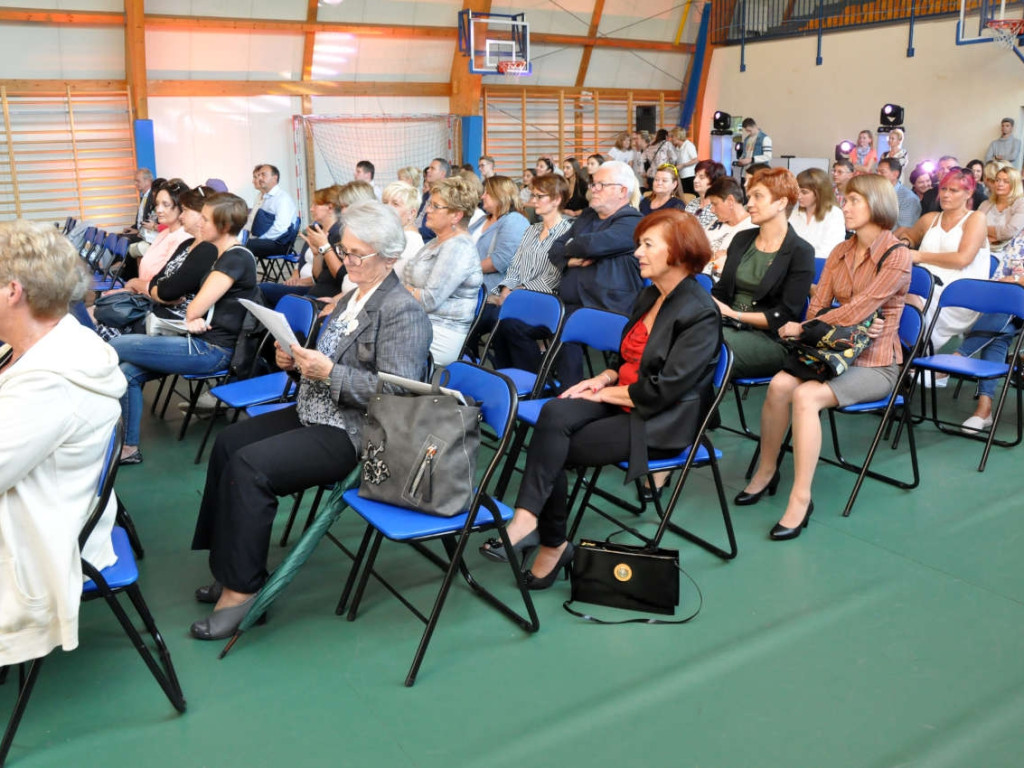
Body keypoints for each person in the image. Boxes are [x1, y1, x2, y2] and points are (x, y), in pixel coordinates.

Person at [189, 201, 432, 640]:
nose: (349, 261)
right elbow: (329, 358)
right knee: (229, 444)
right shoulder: (353, 295)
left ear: (391, 259)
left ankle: (243, 591)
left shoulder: (402, 312)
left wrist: (329, 373)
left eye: (359, 254)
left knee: (250, 467)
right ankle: (230, 565)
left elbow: (398, 393)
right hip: (315, 409)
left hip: (356, 432)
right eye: (347, 249)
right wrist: (293, 360)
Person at [478, 208, 721, 587]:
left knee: (556, 447)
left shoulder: (700, 312)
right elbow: (628, 358)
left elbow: (663, 390)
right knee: (554, 413)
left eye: (647, 245)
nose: (637, 252)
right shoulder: (650, 295)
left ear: (678, 251)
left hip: (659, 418)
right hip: (623, 398)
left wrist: (607, 391)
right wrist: (601, 378)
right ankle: (533, 523)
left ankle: (547, 539)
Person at [740, 175, 911, 540]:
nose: (844, 207)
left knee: (805, 395)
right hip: (832, 354)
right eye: (844, 200)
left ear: (876, 204)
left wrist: (805, 327)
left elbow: (860, 308)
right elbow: (818, 305)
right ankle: (767, 470)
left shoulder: (897, 255)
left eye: (853, 201)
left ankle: (801, 498)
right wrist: (815, 323)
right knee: (779, 384)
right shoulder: (840, 252)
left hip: (875, 364)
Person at [0, 220, 126, 667]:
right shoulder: (55, 343)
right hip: (57, 505)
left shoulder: (47, 383)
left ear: (13, 291)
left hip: (47, 534)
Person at [110, 193, 259, 465]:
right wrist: (191, 316)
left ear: (224, 226)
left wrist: (192, 315)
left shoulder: (234, 259)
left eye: (205, 218)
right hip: (199, 341)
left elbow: (194, 308)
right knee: (127, 373)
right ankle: (129, 448)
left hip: (212, 350)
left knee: (115, 346)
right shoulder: (222, 254)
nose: (198, 223)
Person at [711, 168, 815, 379]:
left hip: (771, 339)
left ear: (781, 203)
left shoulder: (800, 251)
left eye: (758, 196)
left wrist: (734, 314)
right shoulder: (742, 240)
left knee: (698, 349)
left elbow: (785, 315)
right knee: (680, 337)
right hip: (729, 326)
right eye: (749, 196)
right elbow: (720, 293)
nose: (749, 203)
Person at [548, 160, 644, 386]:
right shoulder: (588, 216)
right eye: (593, 184)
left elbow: (591, 246)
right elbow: (554, 249)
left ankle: (570, 395)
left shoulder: (634, 222)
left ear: (622, 191)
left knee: (565, 328)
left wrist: (571, 246)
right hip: (573, 300)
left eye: (601, 184)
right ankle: (550, 388)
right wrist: (570, 260)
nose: (594, 189)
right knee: (516, 325)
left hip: (609, 303)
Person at [895, 168, 990, 353]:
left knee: (907, 295)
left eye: (953, 191)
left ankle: (911, 351)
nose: (946, 195)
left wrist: (920, 256)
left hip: (958, 293)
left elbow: (963, 259)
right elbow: (910, 236)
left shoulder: (976, 218)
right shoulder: (930, 219)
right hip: (925, 285)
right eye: (944, 189)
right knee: (896, 291)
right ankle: (900, 352)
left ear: (968, 193)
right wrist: (906, 242)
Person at [487, 174, 572, 371]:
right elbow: (515, 264)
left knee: (508, 324)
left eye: (539, 196)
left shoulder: (567, 233)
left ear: (557, 199)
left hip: (545, 302)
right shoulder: (532, 230)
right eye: (533, 195)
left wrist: (517, 293)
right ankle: (506, 375)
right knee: (497, 320)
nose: (533, 201)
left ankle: (532, 378)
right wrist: (506, 288)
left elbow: (553, 277)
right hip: (518, 297)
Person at [401, 175, 483, 365]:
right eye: (430, 204)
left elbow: (429, 300)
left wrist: (402, 290)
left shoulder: (458, 247)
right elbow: (408, 281)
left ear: (456, 215)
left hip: (439, 332)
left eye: (435, 206)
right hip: (417, 321)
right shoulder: (435, 242)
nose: (428, 210)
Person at [954, 230, 1024, 433]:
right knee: (1002, 330)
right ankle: (983, 410)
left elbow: (1012, 279)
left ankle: (957, 358)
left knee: (1006, 309)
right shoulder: (1020, 236)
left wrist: (1017, 280)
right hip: (1012, 307)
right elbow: (999, 277)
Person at [260, 185, 342, 306]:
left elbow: (340, 276)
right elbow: (319, 277)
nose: (311, 209)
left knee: (263, 289)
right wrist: (317, 255)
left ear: (330, 208)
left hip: (323, 294)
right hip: (315, 290)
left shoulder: (338, 234)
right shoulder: (317, 230)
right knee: (263, 290)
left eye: (315, 205)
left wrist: (324, 247)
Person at [789, 167, 847, 259]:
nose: (798, 196)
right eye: (797, 191)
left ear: (819, 193)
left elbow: (829, 252)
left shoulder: (834, 214)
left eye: (804, 192)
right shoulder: (794, 214)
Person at [705, 176, 757, 277]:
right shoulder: (715, 223)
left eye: (715, 204)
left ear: (730, 201)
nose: (712, 210)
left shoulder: (751, 227)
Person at [245, 164, 299, 259]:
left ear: (274, 178)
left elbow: (280, 228)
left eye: (263, 175)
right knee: (237, 242)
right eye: (259, 175)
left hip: (280, 242)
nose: (260, 178)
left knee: (243, 245)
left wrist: (259, 239)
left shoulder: (283, 199)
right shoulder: (264, 197)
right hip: (266, 239)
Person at [978, 165, 1024, 251]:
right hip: (980, 249)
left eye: (1006, 181)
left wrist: (983, 228)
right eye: (997, 180)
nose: (1000, 184)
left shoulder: (1021, 204)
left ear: (1015, 184)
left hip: (1007, 254)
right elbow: (972, 228)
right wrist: (997, 236)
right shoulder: (985, 204)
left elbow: (1009, 232)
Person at [877, 157, 922, 229]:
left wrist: (882, 240)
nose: (878, 175)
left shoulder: (908, 198)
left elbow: (904, 228)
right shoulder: (876, 193)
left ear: (895, 174)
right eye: (877, 172)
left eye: (882, 172)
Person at [415, 157, 451, 242]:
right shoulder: (427, 194)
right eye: (429, 168)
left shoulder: (446, 196)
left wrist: (415, 231)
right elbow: (419, 218)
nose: (428, 170)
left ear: (442, 174)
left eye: (432, 168)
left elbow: (437, 228)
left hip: (429, 241)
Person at [686, 160, 726, 229]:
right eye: (695, 176)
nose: (695, 180)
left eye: (701, 177)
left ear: (714, 181)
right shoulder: (692, 203)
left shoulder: (719, 207)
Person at [123, 167, 158, 246]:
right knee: (118, 238)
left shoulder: (154, 198)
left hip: (147, 235)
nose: (135, 184)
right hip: (139, 232)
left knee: (124, 241)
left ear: (148, 181)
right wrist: (133, 228)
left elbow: (151, 221)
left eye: (138, 181)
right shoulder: (144, 197)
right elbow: (140, 220)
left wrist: (138, 231)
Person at [669, 127, 698, 195]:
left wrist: (683, 165)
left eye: (672, 137)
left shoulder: (688, 145)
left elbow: (696, 159)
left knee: (692, 195)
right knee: (685, 195)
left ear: (678, 136)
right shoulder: (676, 148)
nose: (671, 139)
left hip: (690, 176)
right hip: (682, 176)